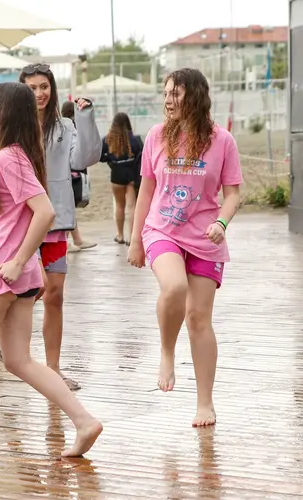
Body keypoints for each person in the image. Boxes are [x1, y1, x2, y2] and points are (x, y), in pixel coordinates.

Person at [0, 82, 102, 463]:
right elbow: (4, 216)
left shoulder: (8, 157)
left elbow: (45, 213)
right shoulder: (17, 155)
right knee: (18, 360)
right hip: (17, 271)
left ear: (2, 112)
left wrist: (16, 260)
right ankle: (83, 419)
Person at [0, 64, 102, 391]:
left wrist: (85, 119)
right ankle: (12, 346)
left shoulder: (64, 127)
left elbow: (84, 158)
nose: (39, 93)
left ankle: (51, 368)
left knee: (52, 295)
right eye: (32, 88)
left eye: (44, 86)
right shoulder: (9, 130)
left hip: (51, 223)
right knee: (26, 290)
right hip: (15, 227)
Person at [127, 68, 242, 427]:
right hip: (162, 229)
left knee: (199, 320)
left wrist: (221, 223)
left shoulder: (222, 141)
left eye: (175, 94)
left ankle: (205, 403)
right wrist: (134, 240)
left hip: (206, 237)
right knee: (174, 287)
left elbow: (233, 194)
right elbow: (146, 189)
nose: (167, 100)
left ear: (195, 96)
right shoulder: (157, 136)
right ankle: (166, 351)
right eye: (165, 93)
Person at [100, 112, 143, 245]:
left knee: (119, 205)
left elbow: (101, 157)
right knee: (132, 206)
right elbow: (141, 155)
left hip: (116, 175)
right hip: (131, 175)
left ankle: (119, 235)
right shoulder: (135, 140)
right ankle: (131, 237)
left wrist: (111, 160)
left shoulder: (108, 140)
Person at [61, 100, 97, 253]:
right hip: (70, 174)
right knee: (66, 207)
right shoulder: (69, 127)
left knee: (68, 208)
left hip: (68, 173)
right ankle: (68, 241)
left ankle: (75, 239)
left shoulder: (63, 126)